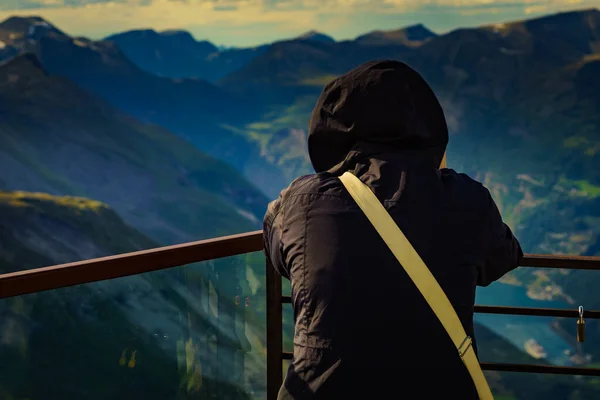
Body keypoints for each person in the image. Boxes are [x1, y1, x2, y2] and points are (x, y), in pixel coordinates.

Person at [263, 60, 523, 399]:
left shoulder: (302, 200)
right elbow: (504, 257)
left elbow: (279, 250)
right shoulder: (468, 201)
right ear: (430, 129)